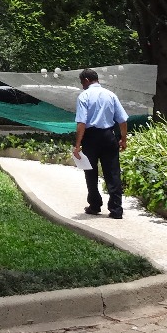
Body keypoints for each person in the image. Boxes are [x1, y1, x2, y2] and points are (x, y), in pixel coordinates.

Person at [72, 68, 129, 219]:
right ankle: (116, 209)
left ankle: (95, 205)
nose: (82, 86)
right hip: (109, 136)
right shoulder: (111, 95)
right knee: (113, 172)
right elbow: (123, 120)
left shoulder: (84, 96)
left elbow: (81, 123)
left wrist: (77, 145)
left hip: (91, 137)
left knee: (90, 172)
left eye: (82, 83)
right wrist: (123, 139)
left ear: (86, 80)